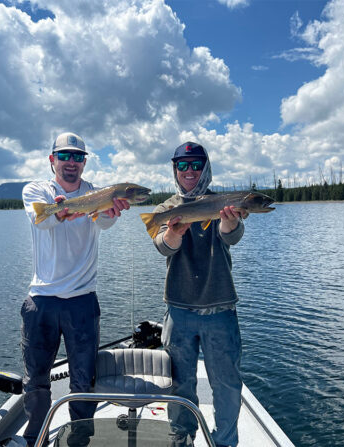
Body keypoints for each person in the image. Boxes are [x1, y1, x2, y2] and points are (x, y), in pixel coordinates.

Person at [20, 132, 130, 447]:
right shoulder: (36, 190)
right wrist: (61, 211)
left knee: (84, 380)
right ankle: (35, 440)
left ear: (84, 162)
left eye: (78, 157)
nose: (71, 162)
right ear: (52, 160)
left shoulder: (98, 193)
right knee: (36, 381)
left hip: (82, 301)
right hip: (41, 301)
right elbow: (41, 221)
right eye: (65, 156)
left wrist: (112, 211)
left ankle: (79, 441)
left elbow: (105, 223)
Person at [151, 141, 247, 447]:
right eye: (182, 165)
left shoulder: (223, 202)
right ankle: (182, 440)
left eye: (195, 164)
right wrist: (173, 233)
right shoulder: (166, 209)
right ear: (175, 169)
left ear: (205, 167)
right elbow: (163, 247)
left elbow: (230, 236)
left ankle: (225, 443)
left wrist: (230, 221)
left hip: (220, 309)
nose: (189, 171)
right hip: (178, 311)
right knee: (180, 385)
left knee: (227, 386)